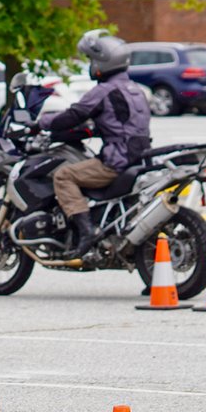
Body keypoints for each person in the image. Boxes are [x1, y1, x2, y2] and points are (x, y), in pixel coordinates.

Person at [38, 29, 151, 258]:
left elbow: (73, 115)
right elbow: (121, 123)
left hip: (116, 161)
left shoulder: (104, 90)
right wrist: (92, 129)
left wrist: (41, 122)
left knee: (64, 175)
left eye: (91, 60)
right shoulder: (135, 89)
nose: (90, 65)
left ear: (102, 62)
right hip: (140, 156)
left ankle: (86, 231)